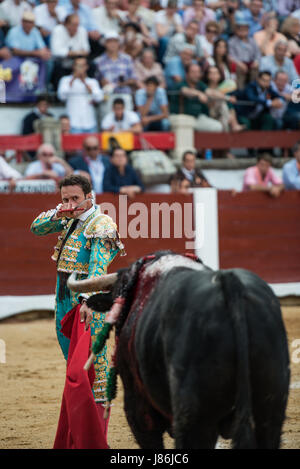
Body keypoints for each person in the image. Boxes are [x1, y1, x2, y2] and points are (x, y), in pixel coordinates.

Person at [30, 174, 125, 447]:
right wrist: (60, 212)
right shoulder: (68, 218)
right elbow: (36, 228)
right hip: (62, 300)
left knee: (93, 369)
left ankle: (95, 438)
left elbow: (97, 268)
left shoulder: (102, 224)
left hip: (84, 304)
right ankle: (79, 434)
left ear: (89, 196)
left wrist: (88, 301)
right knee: (73, 366)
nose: (71, 203)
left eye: (75, 198)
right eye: (65, 199)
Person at [169, 62, 223, 132]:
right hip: (181, 117)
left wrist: (225, 97)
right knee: (185, 125)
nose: (196, 75)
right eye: (193, 72)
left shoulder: (200, 84)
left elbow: (209, 91)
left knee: (217, 126)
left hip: (197, 118)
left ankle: (206, 143)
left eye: (198, 72)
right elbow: (185, 91)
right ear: (187, 74)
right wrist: (199, 94)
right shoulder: (181, 84)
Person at [57, 56, 104, 134]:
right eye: (78, 65)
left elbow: (99, 98)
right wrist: (72, 80)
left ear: (86, 67)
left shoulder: (92, 82)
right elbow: (61, 97)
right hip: (73, 122)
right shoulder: (65, 80)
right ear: (73, 67)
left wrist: (85, 83)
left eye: (82, 66)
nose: (80, 68)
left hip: (90, 122)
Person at [50, 14, 90, 89]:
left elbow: (86, 50)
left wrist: (71, 53)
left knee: (90, 64)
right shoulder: (58, 30)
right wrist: (74, 52)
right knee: (57, 66)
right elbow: (55, 51)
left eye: (77, 25)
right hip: (61, 61)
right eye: (74, 25)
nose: (76, 27)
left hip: (76, 60)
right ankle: (57, 92)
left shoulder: (82, 30)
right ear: (66, 24)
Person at [228, 12, 260, 89]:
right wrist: (240, 64)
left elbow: (258, 54)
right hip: (239, 64)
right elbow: (231, 56)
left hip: (250, 63)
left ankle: (253, 90)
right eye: (240, 28)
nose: (243, 30)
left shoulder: (252, 41)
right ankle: (241, 91)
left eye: (245, 28)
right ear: (236, 30)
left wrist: (256, 61)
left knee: (255, 68)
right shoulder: (232, 41)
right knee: (240, 69)